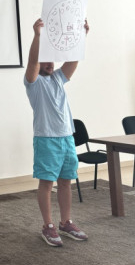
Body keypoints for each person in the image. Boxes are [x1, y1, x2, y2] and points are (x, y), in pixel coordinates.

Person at [24, 18, 89, 247]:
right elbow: (32, 61)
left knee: (65, 182)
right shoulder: (33, 82)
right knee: (47, 184)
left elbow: (73, 60)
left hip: (67, 138)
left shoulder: (58, 78)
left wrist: (81, 36)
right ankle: (48, 226)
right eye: (45, 60)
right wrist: (37, 36)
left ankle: (66, 223)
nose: (50, 63)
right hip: (46, 140)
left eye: (51, 59)